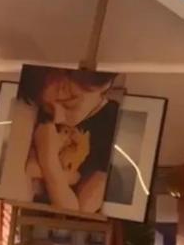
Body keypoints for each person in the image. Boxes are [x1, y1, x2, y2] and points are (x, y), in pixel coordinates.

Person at [21, 67, 120, 213]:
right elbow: (30, 168)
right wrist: (69, 178)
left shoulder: (114, 122)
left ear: (102, 86)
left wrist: (48, 159)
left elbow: (79, 210)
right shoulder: (44, 114)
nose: (57, 118)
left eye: (69, 103)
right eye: (47, 107)